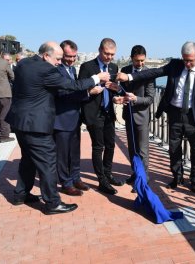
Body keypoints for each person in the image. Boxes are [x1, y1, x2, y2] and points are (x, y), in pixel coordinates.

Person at [6, 41, 110, 215]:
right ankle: (52, 203)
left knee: (28, 160)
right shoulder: (46, 70)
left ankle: (20, 195)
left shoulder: (24, 63)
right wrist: (97, 78)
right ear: (46, 55)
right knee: (48, 163)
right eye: (57, 59)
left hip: (19, 122)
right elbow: (72, 86)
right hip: (35, 125)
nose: (59, 62)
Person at [116, 41, 195, 193]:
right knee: (174, 148)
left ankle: (194, 179)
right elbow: (152, 72)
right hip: (175, 113)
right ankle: (177, 177)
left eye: (190, 60)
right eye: (185, 59)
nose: (187, 63)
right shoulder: (175, 65)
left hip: (194, 116)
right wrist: (129, 77)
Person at [78, 38, 124, 195]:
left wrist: (117, 92)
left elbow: (112, 89)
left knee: (110, 145)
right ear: (99, 50)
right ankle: (101, 180)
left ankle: (108, 174)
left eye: (112, 54)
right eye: (107, 54)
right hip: (93, 112)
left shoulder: (113, 66)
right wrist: (90, 91)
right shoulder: (87, 66)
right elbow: (79, 90)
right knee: (98, 146)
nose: (109, 57)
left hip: (108, 112)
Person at [53, 40, 93, 196]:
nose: (71, 59)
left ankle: (76, 177)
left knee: (75, 152)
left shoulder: (72, 69)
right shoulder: (56, 70)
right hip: (61, 119)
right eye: (68, 56)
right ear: (61, 54)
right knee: (62, 155)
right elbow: (63, 93)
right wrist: (88, 92)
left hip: (74, 118)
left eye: (74, 56)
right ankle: (66, 183)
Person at [113, 45, 155, 190]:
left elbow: (150, 99)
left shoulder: (149, 73)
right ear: (131, 59)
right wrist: (118, 97)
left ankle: (144, 180)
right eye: (137, 61)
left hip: (142, 117)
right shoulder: (124, 71)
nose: (140, 64)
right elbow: (119, 89)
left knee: (143, 151)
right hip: (128, 115)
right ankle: (135, 174)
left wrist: (136, 98)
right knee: (132, 149)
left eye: (143, 61)